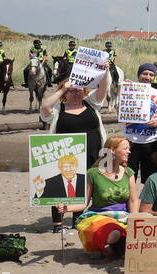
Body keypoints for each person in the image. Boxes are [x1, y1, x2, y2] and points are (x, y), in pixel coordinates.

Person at [40, 71, 111, 230]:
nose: (77, 92)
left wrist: (105, 71)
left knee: (85, 186)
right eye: (72, 89)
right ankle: (58, 223)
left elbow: (103, 89)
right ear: (66, 92)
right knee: (60, 186)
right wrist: (62, 89)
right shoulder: (58, 109)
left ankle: (77, 220)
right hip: (65, 155)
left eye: (80, 89)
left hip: (93, 153)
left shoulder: (92, 103)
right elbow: (45, 106)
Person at [58, 134, 142, 258]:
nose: (129, 152)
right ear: (112, 150)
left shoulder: (128, 173)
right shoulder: (94, 174)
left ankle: (118, 246)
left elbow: (133, 200)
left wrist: (134, 219)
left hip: (123, 216)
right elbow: (84, 202)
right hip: (99, 216)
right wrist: (67, 208)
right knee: (113, 232)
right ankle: (111, 244)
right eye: (125, 148)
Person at [122, 63, 157, 184]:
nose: (147, 77)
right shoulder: (127, 90)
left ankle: (148, 203)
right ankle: (130, 202)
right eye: (144, 73)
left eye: (151, 74)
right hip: (130, 141)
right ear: (139, 75)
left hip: (151, 141)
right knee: (127, 177)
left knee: (151, 179)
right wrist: (125, 86)